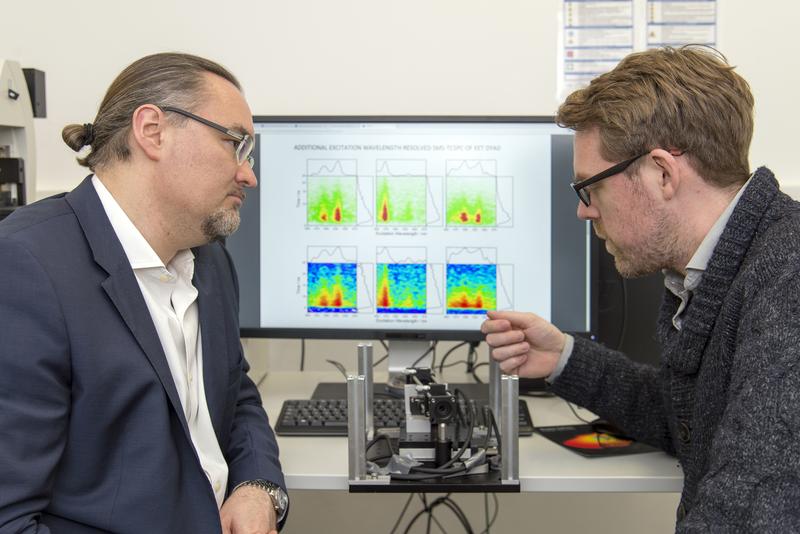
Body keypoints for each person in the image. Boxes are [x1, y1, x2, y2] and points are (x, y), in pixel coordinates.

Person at [482, 46, 800, 531]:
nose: (584, 211)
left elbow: (753, 512)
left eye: (590, 187)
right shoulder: (716, 269)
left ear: (662, 173)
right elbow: (692, 420)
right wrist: (564, 357)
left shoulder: (787, 278)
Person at [0, 53, 288, 533]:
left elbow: (235, 394)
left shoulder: (209, 258)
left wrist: (258, 487)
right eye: (235, 144)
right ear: (152, 130)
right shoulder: (25, 268)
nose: (248, 175)